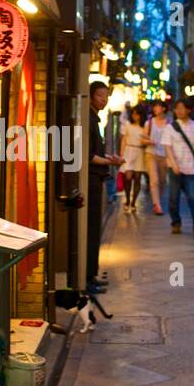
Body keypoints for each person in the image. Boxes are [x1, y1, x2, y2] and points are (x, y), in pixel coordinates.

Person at [87, 81, 123, 292]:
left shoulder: (94, 118)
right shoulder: (89, 119)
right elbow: (89, 155)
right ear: (91, 96)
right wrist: (110, 161)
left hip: (96, 180)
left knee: (94, 229)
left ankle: (91, 274)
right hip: (90, 181)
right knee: (91, 230)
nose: (104, 100)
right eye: (100, 95)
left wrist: (109, 158)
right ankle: (88, 278)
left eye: (106, 96)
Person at [165, 98, 194, 239]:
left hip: (192, 168)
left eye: (182, 108)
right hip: (175, 169)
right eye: (177, 108)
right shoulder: (170, 128)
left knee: (193, 198)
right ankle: (175, 222)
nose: (179, 111)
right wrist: (173, 164)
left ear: (189, 110)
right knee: (173, 198)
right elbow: (168, 148)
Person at [143, 98, 169, 215]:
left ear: (163, 108)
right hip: (151, 154)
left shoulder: (169, 124)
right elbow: (142, 139)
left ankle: (157, 199)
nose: (155, 109)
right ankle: (156, 205)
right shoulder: (149, 123)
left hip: (164, 155)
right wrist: (149, 142)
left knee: (163, 181)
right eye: (154, 107)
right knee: (154, 180)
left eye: (157, 106)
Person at [119, 108, 147, 212]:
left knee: (138, 177)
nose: (135, 116)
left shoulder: (144, 126)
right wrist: (121, 154)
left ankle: (133, 202)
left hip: (139, 151)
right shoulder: (127, 124)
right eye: (134, 114)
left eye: (137, 114)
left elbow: (146, 138)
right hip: (129, 151)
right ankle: (127, 199)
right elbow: (124, 139)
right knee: (128, 176)